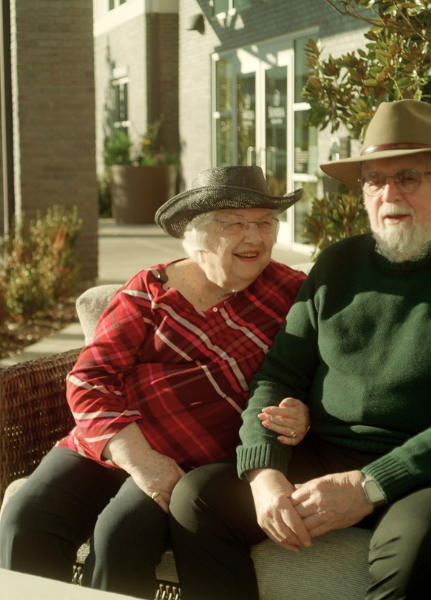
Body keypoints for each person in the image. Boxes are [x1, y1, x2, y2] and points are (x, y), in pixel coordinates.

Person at [168, 100, 431, 600]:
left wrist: (367, 486)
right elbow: (278, 378)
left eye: (408, 177)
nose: (388, 194)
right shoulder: (336, 265)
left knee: (415, 551)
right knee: (197, 499)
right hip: (327, 452)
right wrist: (265, 471)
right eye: (374, 180)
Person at [0, 166, 310, 598]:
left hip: (198, 461)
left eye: (264, 223)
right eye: (235, 224)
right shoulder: (149, 290)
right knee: (26, 518)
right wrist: (141, 461)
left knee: (118, 536)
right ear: (198, 234)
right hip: (114, 442)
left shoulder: (293, 293)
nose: (254, 238)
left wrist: (303, 408)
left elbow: (317, 370)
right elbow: (90, 379)